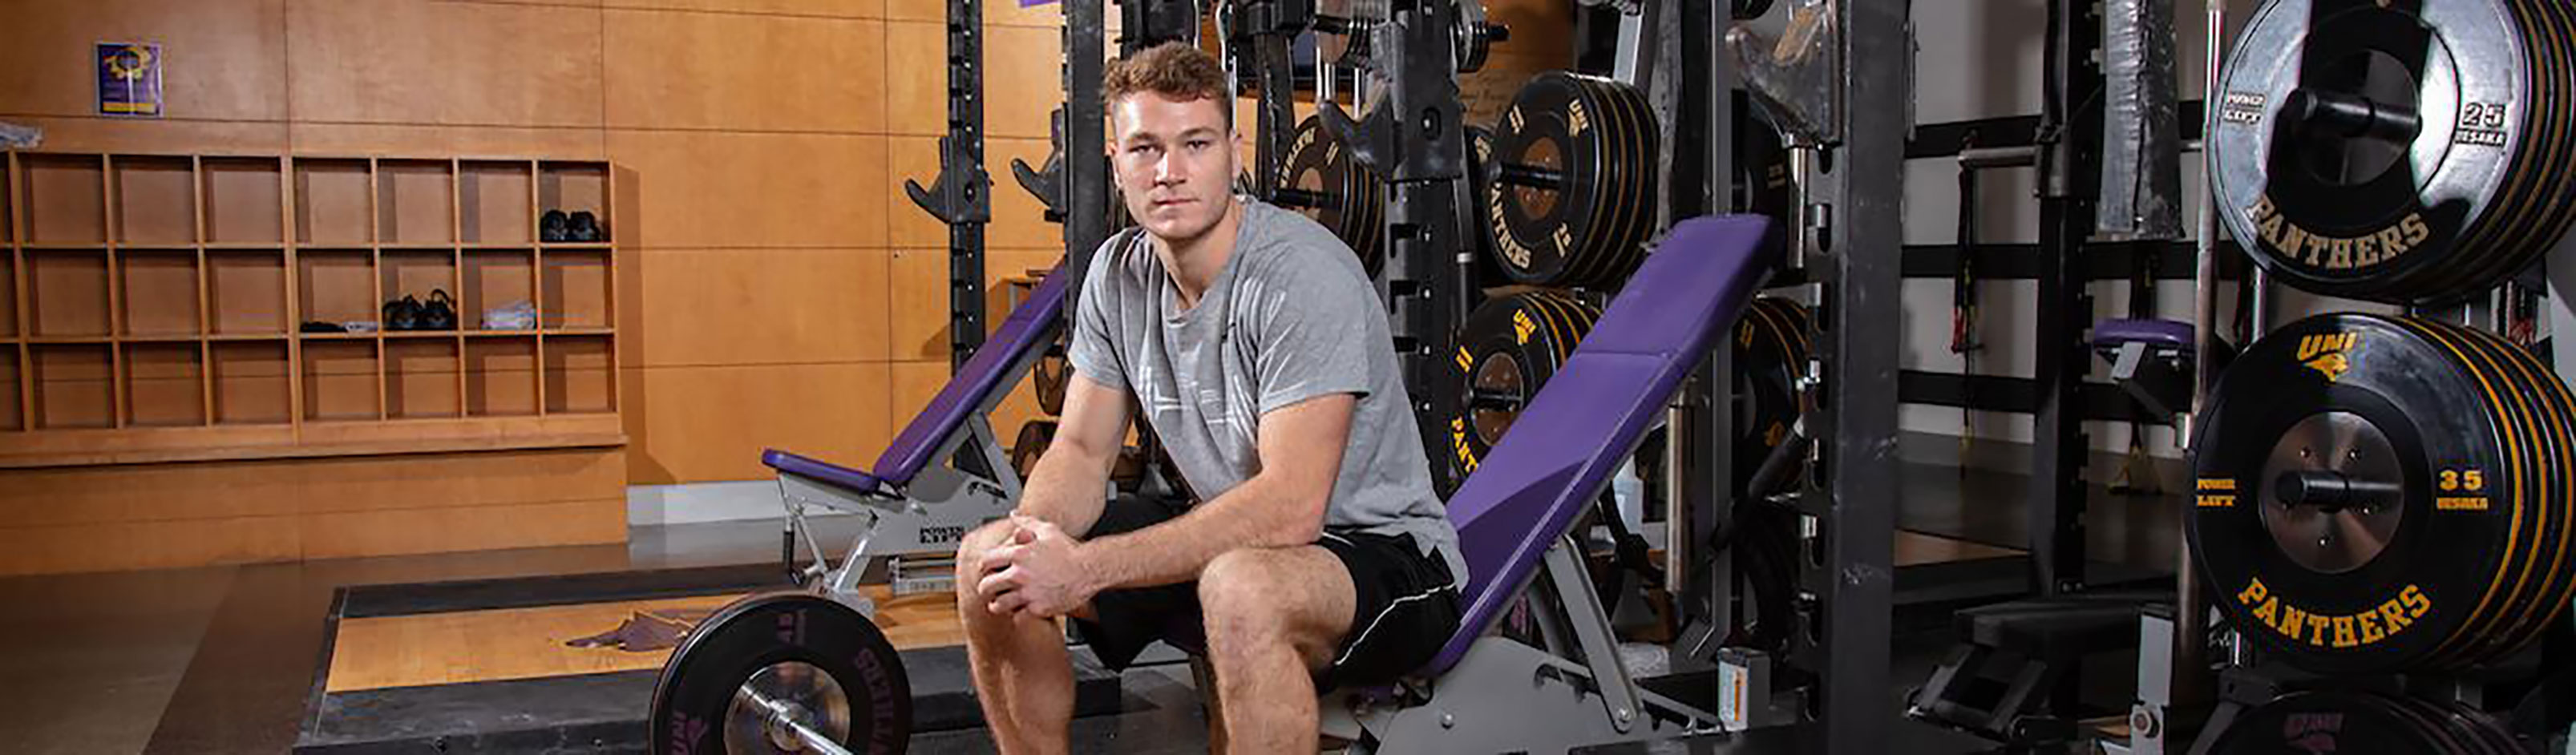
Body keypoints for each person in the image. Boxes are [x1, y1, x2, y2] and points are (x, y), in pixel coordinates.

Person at [954, 41, 1466, 754]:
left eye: (1194, 144)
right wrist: (1035, 541)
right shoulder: (1115, 273)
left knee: (1241, 587)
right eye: (1144, 148)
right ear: (1115, 159)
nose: (1168, 172)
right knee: (987, 563)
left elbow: (1291, 507)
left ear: (1233, 147)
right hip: (1236, 539)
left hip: (1383, 557)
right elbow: (1078, 450)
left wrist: (1086, 569)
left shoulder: (1299, 276)